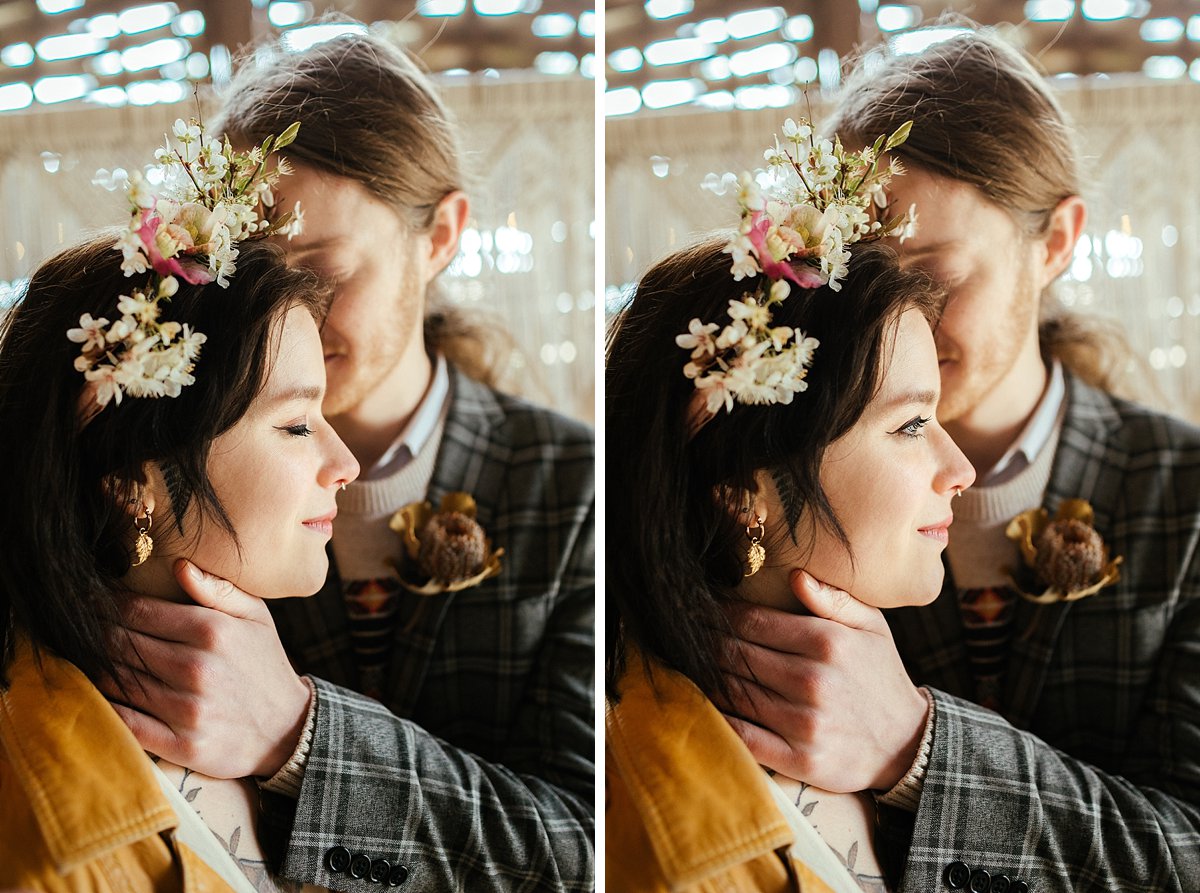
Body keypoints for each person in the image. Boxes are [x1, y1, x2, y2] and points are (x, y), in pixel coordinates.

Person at [107, 30, 596, 892]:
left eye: (319, 274)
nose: (283, 315)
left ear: (440, 234)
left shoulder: (577, 485)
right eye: (250, 275)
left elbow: (588, 847)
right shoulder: (171, 483)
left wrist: (299, 738)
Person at [723, 22, 1200, 893]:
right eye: (862, 278)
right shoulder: (778, 498)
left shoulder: (1186, 497)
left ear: (1054, 242)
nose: (893, 323)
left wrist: (917, 750)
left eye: (931, 278)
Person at [605, 121, 975, 892]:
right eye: (910, 425)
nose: (961, 469)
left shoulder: (897, 706)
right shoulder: (659, 836)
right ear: (744, 487)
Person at [0, 121, 359, 891]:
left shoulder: (271, 696)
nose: (345, 464)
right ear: (133, 478)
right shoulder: (49, 841)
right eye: (297, 424)